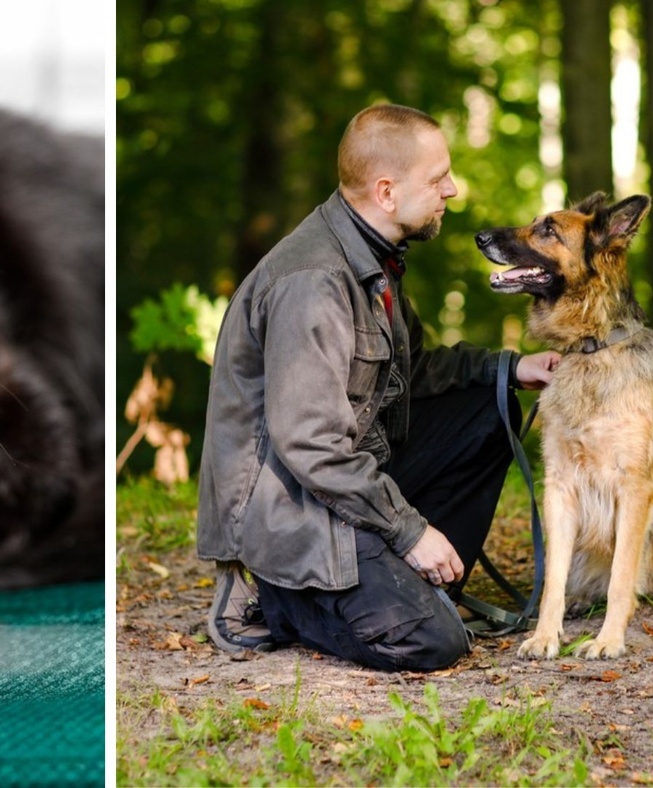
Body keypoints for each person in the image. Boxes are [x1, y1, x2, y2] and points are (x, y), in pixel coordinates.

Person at [197, 104, 560, 672]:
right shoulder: (314, 283)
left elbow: (413, 372)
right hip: (292, 515)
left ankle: (423, 588)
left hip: (347, 477)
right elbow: (312, 446)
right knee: (433, 643)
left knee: (489, 406)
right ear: (386, 192)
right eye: (438, 178)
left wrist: (513, 368)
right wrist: (410, 531)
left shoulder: (372, 256)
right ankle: (281, 603)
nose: (453, 190)